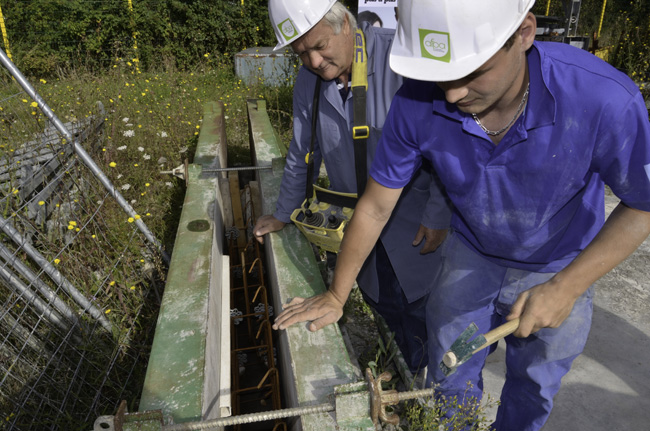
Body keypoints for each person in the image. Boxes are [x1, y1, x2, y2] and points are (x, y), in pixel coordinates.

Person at [273, 0, 650, 430]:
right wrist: (337, 296)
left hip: (560, 260)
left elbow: (643, 204)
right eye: (439, 78)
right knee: (449, 371)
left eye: (470, 72)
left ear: (524, 34)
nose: (451, 94)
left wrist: (567, 286)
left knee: (534, 384)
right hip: (472, 251)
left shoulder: (601, 98)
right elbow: (377, 206)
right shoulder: (417, 99)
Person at [257, 0, 451, 376]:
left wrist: (439, 213)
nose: (313, 61)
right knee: (385, 306)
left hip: (415, 225)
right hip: (357, 231)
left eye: (320, 45)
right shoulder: (309, 82)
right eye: (301, 53)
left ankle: (433, 387)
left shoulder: (402, 59)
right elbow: (301, 152)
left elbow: (446, 145)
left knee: (427, 312)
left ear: (346, 24)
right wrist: (283, 213)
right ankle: (405, 372)